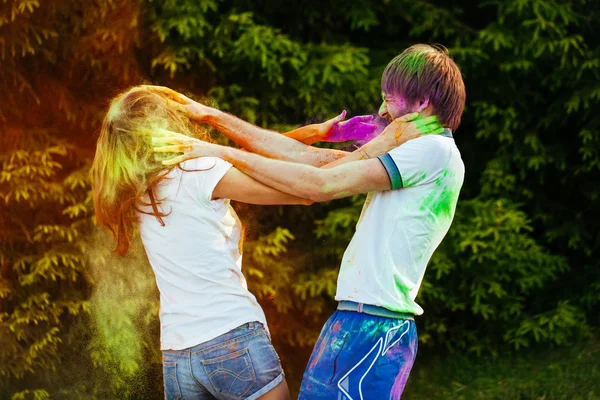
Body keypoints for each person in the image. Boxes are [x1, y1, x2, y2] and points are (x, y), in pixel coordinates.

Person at [150, 43, 466, 399]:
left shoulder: (432, 151)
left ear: (423, 102)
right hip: (357, 318)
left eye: (388, 99)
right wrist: (212, 117)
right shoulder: (411, 151)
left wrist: (218, 151)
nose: (380, 110)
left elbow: (320, 184)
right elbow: (304, 160)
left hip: (377, 325)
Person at [90, 86, 436, 399]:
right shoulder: (199, 170)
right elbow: (301, 188)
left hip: (177, 357)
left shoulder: (135, 194)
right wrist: (362, 151)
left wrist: (316, 133)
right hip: (231, 340)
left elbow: (247, 160)